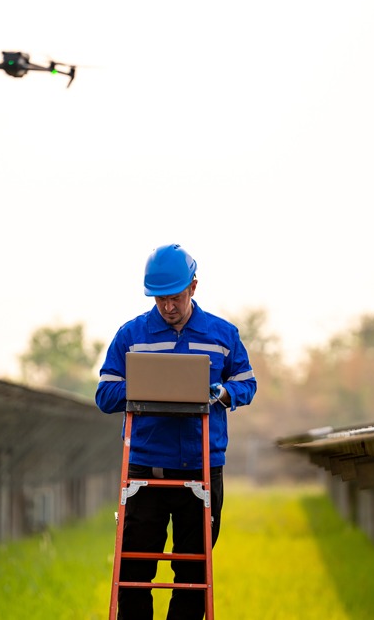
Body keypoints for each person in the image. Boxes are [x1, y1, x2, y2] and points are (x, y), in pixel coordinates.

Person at [96, 243, 257, 620]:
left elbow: (246, 383)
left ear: (194, 287)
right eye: (160, 300)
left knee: (193, 574)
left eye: (175, 298)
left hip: (202, 469)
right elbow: (105, 393)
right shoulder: (132, 335)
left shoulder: (222, 334)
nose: (168, 307)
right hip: (146, 472)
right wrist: (145, 388)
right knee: (134, 573)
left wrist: (222, 392)